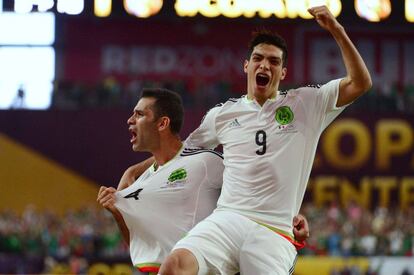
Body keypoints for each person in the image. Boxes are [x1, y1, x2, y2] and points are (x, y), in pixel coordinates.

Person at [154, 5, 371, 275]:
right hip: (228, 219)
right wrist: (136, 173)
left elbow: (360, 83)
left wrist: (337, 30)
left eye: (274, 61)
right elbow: (182, 156)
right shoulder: (221, 115)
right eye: (258, 58)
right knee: (174, 266)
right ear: (247, 65)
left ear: (283, 73)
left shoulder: (306, 103)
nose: (265, 65)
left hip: (274, 230)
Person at [96, 88, 311, 274]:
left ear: (162, 123)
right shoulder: (142, 181)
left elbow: (255, 184)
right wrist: (118, 213)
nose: (130, 120)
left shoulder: (204, 162)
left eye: (139, 114)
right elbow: (140, 242)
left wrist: (288, 215)